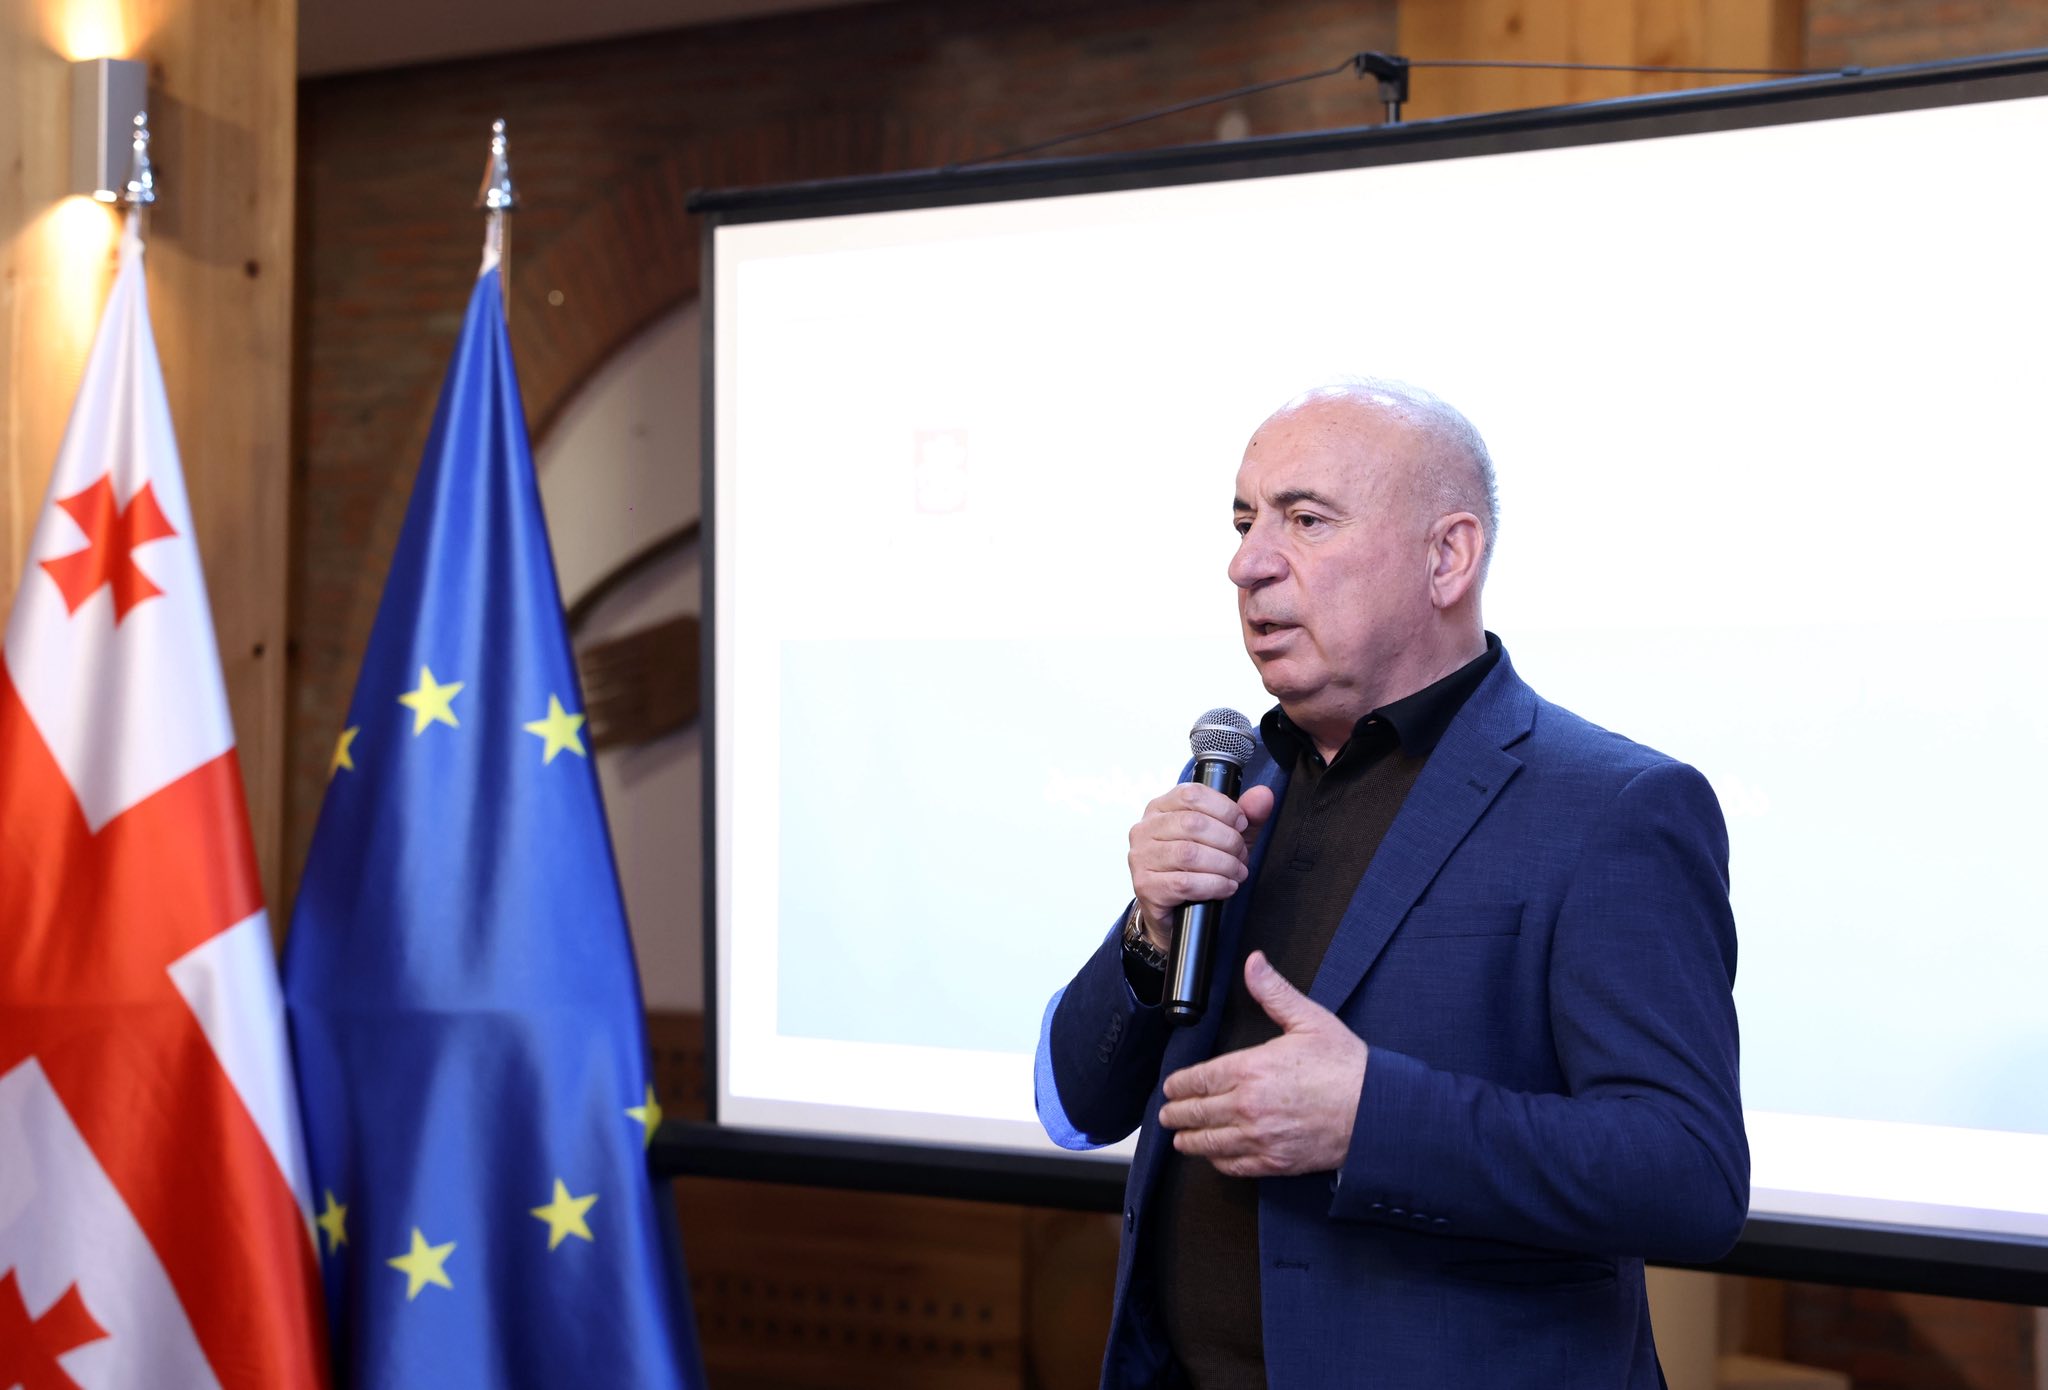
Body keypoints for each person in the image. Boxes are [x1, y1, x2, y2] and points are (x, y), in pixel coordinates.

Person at [1034, 380, 1748, 1389]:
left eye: (1304, 519)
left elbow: (1689, 1176)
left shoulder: (1611, 807)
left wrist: (1370, 1121)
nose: (1247, 563)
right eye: (1243, 521)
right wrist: (1150, 928)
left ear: (1447, 556)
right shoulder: (1236, 784)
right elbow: (1074, 1105)